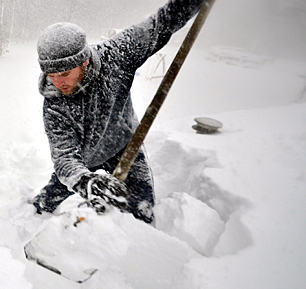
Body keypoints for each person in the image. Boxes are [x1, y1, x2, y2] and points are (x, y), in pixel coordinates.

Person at [31, 0, 206, 224]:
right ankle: (31, 216)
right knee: (44, 204)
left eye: (64, 73)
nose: (57, 82)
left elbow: (161, 23)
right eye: (50, 74)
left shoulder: (117, 56)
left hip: (124, 147)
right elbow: (65, 158)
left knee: (142, 211)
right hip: (82, 159)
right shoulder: (54, 106)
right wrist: (85, 181)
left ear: (83, 62)